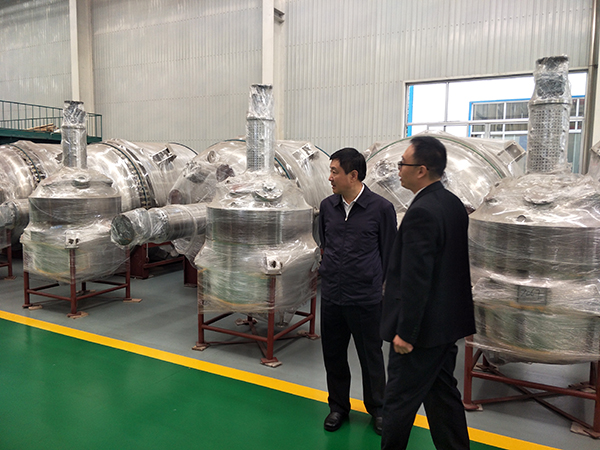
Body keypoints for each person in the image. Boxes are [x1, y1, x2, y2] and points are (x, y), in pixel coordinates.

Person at [380, 136, 476, 449]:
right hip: (446, 328)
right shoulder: (452, 204)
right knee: (442, 398)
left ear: (421, 170)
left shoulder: (422, 212)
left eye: (402, 164)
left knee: (398, 403)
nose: (398, 170)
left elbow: (416, 279)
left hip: (420, 334)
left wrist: (406, 333)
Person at [318, 147, 397, 435]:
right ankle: (338, 407)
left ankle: (378, 409)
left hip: (365, 299)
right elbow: (325, 243)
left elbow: (389, 254)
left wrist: (375, 285)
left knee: (370, 357)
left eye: (334, 172)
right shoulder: (328, 207)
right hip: (332, 296)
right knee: (334, 356)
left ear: (353, 175)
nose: (330, 177)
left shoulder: (381, 209)